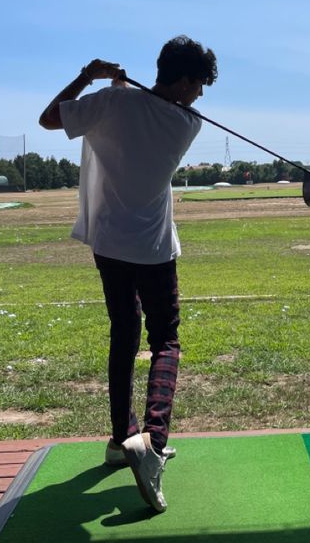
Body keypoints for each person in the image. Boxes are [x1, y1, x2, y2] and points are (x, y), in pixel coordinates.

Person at [39, 36, 218, 512]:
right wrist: (118, 87)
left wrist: (90, 76)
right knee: (166, 340)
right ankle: (153, 446)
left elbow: (51, 117)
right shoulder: (187, 122)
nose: (200, 96)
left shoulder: (113, 101)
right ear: (182, 82)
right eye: (199, 84)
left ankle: (123, 439)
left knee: (124, 334)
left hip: (109, 243)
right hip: (154, 248)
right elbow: (143, 114)